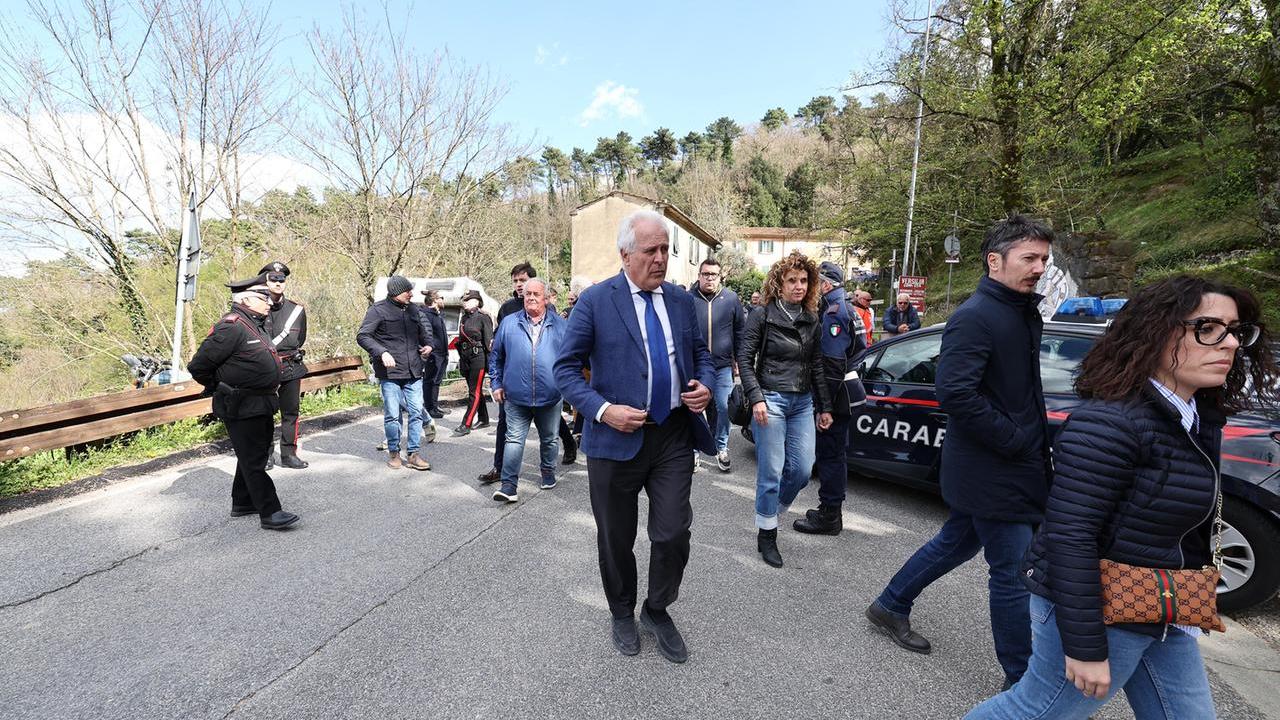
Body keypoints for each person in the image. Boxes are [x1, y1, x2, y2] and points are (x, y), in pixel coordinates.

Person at [967, 276, 1278, 718]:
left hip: (1162, 606)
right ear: (1156, 331)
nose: (1227, 343)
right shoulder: (1111, 423)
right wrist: (1085, 645)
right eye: (1208, 328)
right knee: (1032, 710)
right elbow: (1071, 535)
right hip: (1099, 607)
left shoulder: (1196, 416)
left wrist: (1187, 607)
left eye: (1234, 330)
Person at [866, 215, 1054, 689]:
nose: (1039, 268)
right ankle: (1023, 682)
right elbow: (956, 395)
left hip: (1008, 463)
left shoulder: (1019, 310)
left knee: (955, 542)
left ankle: (890, 605)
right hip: (994, 468)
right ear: (995, 261)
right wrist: (1016, 440)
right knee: (1012, 573)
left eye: (1044, 260)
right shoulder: (977, 316)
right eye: (1029, 258)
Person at [554, 209, 715, 665]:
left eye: (665, 250)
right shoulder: (596, 301)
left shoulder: (682, 302)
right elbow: (565, 369)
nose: (661, 259)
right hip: (614, 442)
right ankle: (621, 611)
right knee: (615, 538)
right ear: (626, 255)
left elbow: (701, 356)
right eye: (651, 251)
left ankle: (657, 609)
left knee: (671, 534)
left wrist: (702, 384)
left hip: (672, 436)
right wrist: (603, 410)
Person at [737, 252, 834, 568]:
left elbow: (817, 365)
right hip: (771, 401)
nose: (799, 286)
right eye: (792, 280)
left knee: (804, 469)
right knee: (771, 471)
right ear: (778, 285)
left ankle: (772, 512)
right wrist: (757, 398)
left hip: (803, 402)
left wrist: (825, 406)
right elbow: (745, 359)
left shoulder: (812, 319)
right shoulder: (761, 315)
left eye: (804, 280)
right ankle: (767, 535)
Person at [188, 276, 299, 530]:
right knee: (254, 461)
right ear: (246, 299)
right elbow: (198, 366)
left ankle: (242, 502)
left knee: (253, 455)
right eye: (264, 298)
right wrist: (222, 386)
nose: (270, 303)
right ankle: (271, 512)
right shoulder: (231, 327)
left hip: (261, 403)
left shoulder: (254, 324)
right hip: (240, 404)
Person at [478, 263, 577, 480]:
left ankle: (568, 445)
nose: (519, 286)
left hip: (545, 384)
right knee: (507, 428)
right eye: (515, 281)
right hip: (515, 383)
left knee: (551, 428)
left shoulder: (550, 314)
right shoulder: (507, 309)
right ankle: (501, 469)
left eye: (523, 281)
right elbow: (499, 340)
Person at [794, 261, 866, 536]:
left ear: (825, 284)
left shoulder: (834, 312)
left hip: (838, 395)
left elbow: (833, 365)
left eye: (814, 283)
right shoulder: (846, 307)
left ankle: (830, 515)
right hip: (846, 392)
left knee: (830, 456)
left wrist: (824, 406)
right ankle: (830, 510)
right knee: (835, 454)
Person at [488, 278, 567, 502]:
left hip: (550, 396)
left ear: (547, 298)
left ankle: (548, 471)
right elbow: (496, 357)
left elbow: (571, 359)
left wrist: (565, 385)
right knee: (513, 439)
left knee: (550, 439)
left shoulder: (561, 326)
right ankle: (509, 486)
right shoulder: (509, 323)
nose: (531, 298)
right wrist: (496, 383)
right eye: (527, 294)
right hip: (515, 395)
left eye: (536, 294)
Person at [357, 275, 433, 470]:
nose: (411, 294)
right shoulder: (377, 310)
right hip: (389, 374)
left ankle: (414, 454)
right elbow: (363, 336)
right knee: (392, 415)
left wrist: (428, 346)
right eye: (408, 291)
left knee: (416, 413)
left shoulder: (414, 309)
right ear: (396, 292)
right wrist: (381, 352)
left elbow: (425, 333)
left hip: (414, 371)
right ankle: (394, 453)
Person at [690, 257, 744, 472]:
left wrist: (740, 360)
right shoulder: (688, 299)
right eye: (706, 274)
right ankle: (693, 450)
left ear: (720, 276)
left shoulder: (731, 299)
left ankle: (722, 447)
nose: (709, 278)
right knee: (694, 410)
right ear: (699, 276)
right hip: (695, 366)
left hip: (722, 366)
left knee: (723, 406)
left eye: (713, 274)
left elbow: (740, 331)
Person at [259, 261, 309, 471]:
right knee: (263, 413)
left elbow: (302, 337)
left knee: (291, 413)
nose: (278, 283)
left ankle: (289, 454)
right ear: (265, 281)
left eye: (282, 280)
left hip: (290, 366)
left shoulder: (297, 310)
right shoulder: (256, 306)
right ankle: (266, 455)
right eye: (274, 279)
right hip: (264, 367)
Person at [453, 289, 493, 436]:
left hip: (479, 357)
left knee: (474, 392)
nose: (465, 303)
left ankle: (466, 423)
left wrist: (492, 366)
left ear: (477, 301)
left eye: (468, 300)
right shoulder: (464, 318)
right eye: (464, 300)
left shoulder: (483, 317)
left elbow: (489, 343)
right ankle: (483, 419)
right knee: (474, 390)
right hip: (465, 357)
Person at [421, 289, 449, 420]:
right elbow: (426, 334)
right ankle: (429, 408)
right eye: (441, 297)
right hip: (434, 354)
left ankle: (434, 406)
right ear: (435, 300)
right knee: (429, 380)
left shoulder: (437, 314)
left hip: (442, 353)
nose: (443, 300)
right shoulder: (426, 314)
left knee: (437, 381)